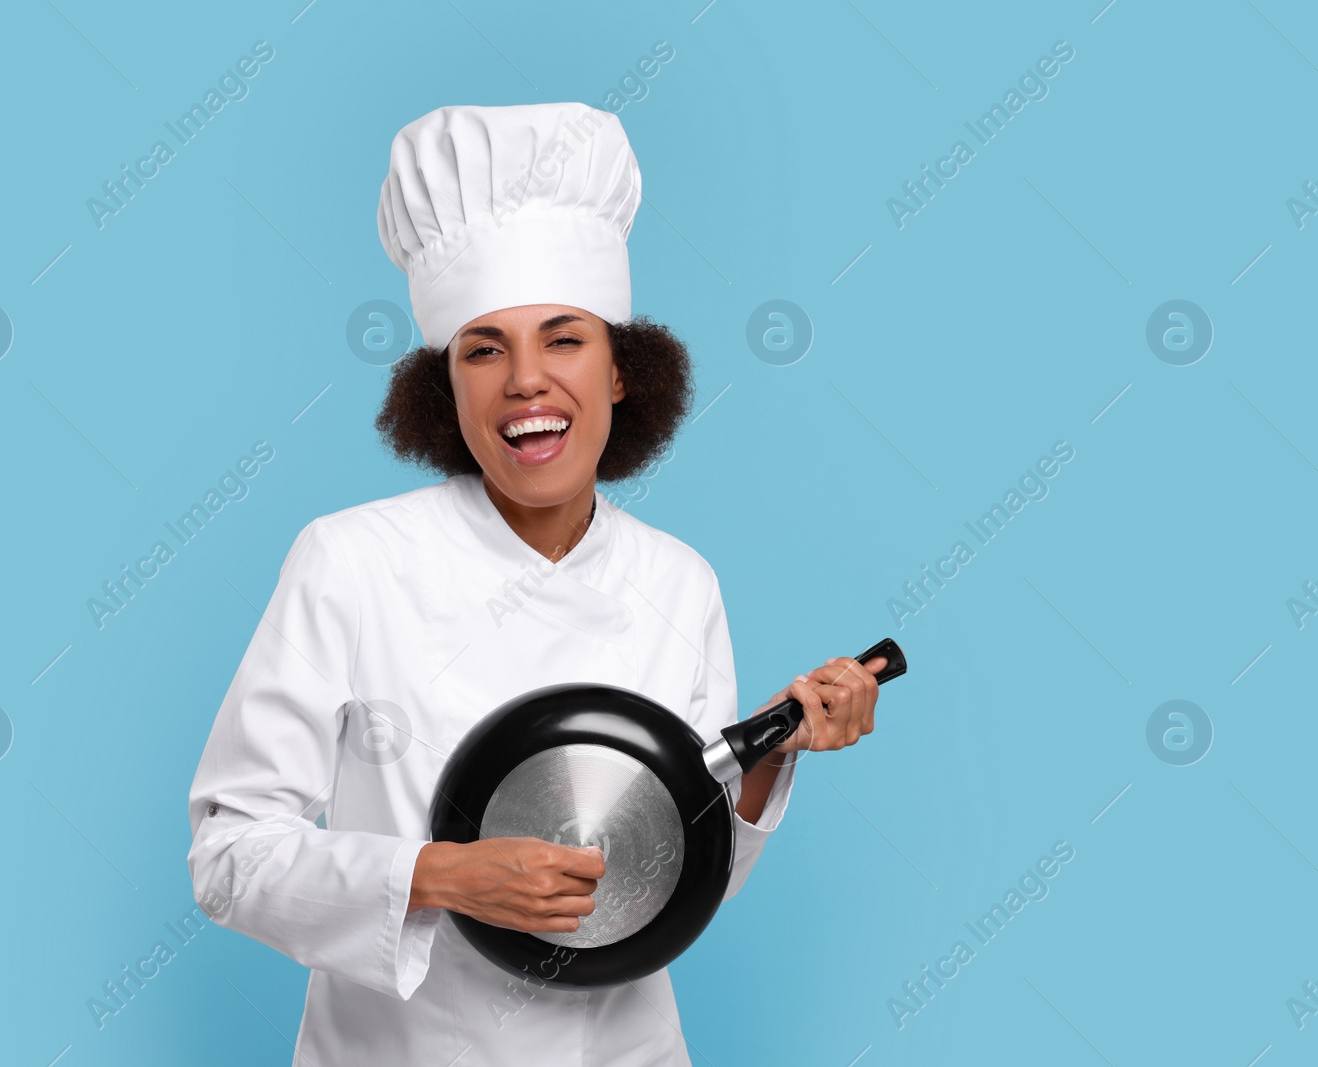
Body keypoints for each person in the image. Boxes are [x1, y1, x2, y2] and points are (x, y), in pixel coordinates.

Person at [186, 101, 886, 1066]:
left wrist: (771, 751)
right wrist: (437, 876)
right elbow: (230, 855)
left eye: (564, 339)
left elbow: (675, 882)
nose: (525, 380)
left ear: (620, 374)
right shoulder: (350, 560)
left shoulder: (677, 580)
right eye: (484, 349)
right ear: (446, 387)